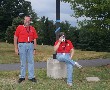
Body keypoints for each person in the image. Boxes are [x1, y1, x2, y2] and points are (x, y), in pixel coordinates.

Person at [14, 16, 38, 83]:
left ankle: (31, 77)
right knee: (23, 62)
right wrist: (16, 48)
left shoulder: (32, 28)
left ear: (30, 21)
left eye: (29, 20)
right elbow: (15, 37)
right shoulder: (19, 27)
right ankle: (22, 77)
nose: (27, 21)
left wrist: (34, 49)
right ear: (23, 20)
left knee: (31, 61)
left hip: (30, 45)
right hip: (22, 45)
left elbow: (35, 39)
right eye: (26, 20)